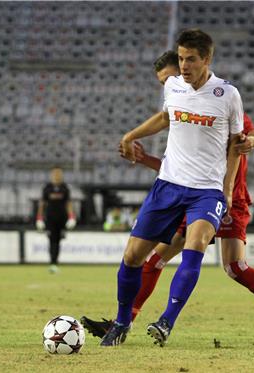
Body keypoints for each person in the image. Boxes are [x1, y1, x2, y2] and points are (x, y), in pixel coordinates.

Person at [82, 50, 254, 349]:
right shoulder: (181, 108)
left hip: (227, 196)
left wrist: (250, 143)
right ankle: (124, 322)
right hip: (190, 195)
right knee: (155, 258)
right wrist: (146, 158)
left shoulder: (218, 101)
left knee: (235, 268)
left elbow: (252, 136)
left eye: (169, 78)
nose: (169, 85)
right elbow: (182, 168)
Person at [98, 29, 244, 347]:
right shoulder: (173, 86)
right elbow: (166, 118)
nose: (184, 65)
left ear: (206, 59)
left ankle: (166, 321)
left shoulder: (227, 94)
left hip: (206, 191)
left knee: (194, 249)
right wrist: (129, 136)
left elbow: (237, 144)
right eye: (180, 58)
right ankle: (122, 322)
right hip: (168, 185)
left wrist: (228, 188)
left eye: (191, 59)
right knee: (132, 257)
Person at [36, 167, 77, 273]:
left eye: (59, 173)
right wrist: (39, 218)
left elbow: (68, 203)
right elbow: (42, 203)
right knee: (52, 240)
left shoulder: (65, 188)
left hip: (62, 218)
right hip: (50, 218)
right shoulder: (47, 188)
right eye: (55, 173)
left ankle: (55, 262)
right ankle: (52, 262)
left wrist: (71, 217)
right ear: (52, 174)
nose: (57, 175)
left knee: (58, 241)